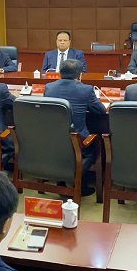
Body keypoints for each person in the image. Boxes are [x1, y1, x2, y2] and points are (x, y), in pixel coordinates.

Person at [44, 59, 107, 196]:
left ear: (60, 73)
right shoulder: (86, 89)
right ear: (80, 75)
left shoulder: (49, 87)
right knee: (95, 146)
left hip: (52, 141)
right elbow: (101, 111)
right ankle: (78, 182)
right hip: (78, 143)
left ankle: (61, 182)